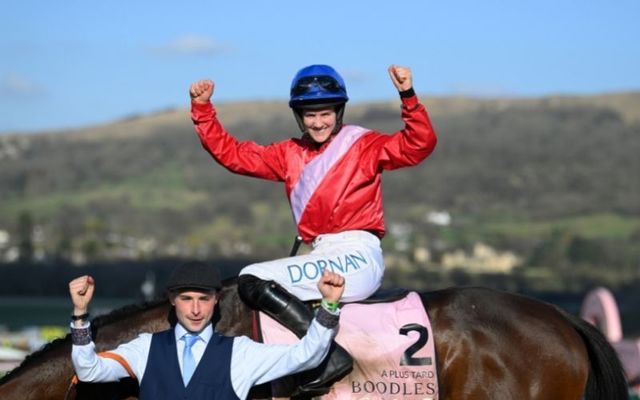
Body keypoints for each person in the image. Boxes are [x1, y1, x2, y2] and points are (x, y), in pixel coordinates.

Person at [189, 64, 437, 392]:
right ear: (299, 117)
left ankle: (329, 356)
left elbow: (419, 144)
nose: (318, 123)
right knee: (250, 280)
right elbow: (234, 156)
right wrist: (203, 111)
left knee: (251, 278)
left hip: (357, 255)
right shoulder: (288, 153)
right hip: (322, 253)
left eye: (325, 114)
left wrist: (408, 96)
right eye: (309, 115)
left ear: (338, 112)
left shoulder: (364, 145)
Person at [69, 261, 345, 400]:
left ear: (217, 299)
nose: (196, 310)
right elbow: (88, 371)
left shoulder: (241, 353)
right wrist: (80, 314)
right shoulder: (144, 348)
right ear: (172, 299)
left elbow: (307, 355)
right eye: (187, 299)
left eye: (203, 299)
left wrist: (329, 305)